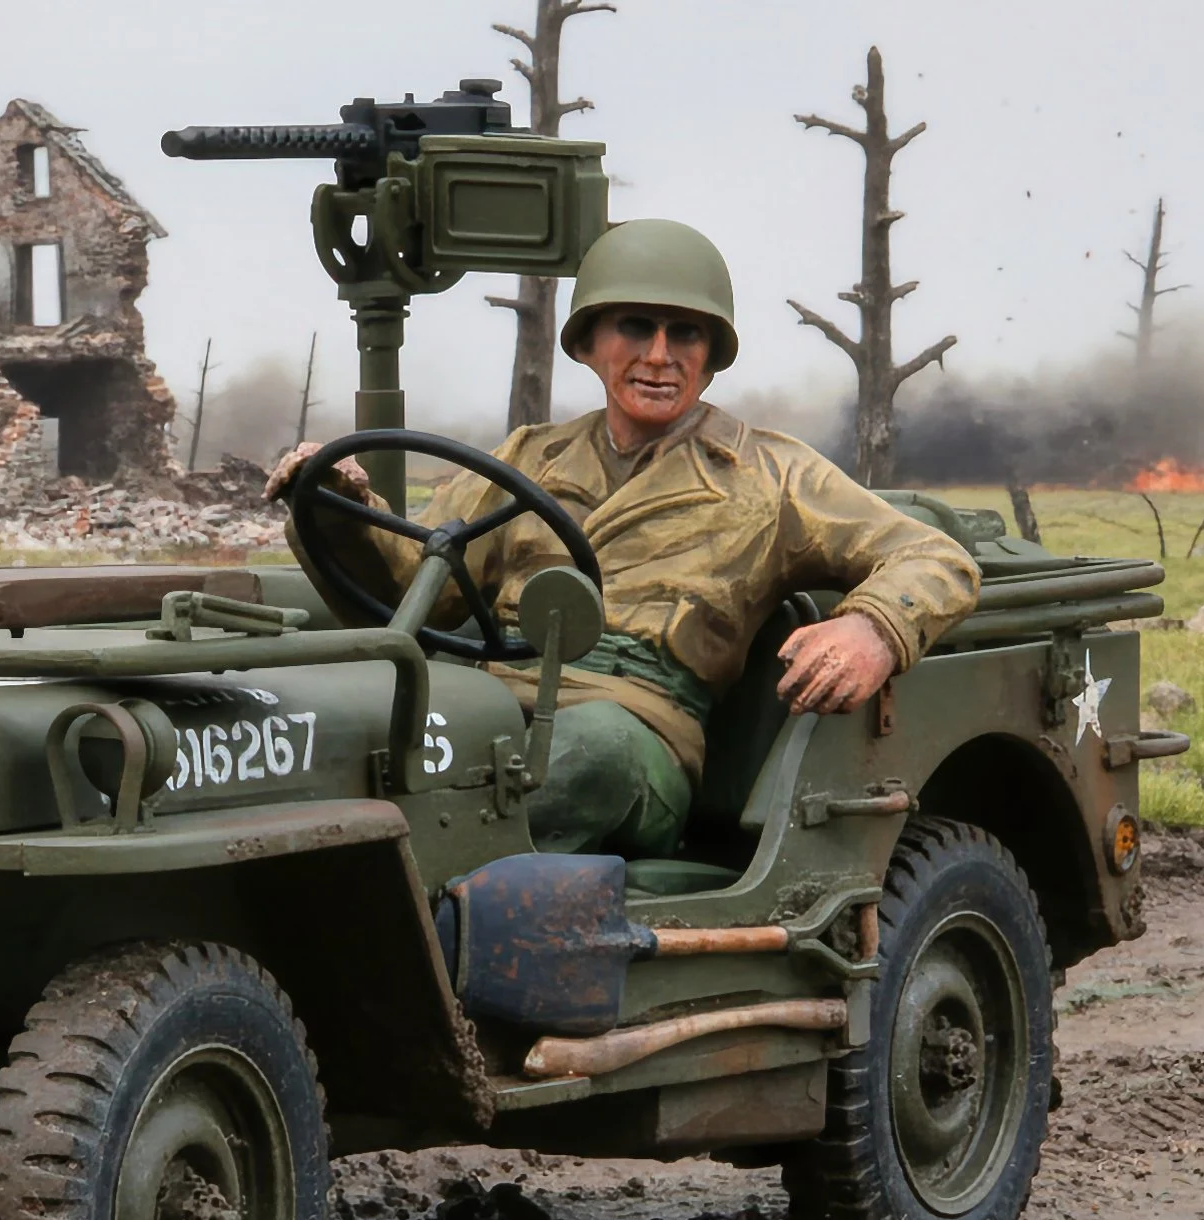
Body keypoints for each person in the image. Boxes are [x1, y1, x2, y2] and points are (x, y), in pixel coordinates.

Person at [270, 218, 981, 859]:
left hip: (641, 731)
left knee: (587, 756)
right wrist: (336, 504)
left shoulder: (770, 474)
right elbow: (422, 590)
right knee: (344, 731)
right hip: (495, 696)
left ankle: (416, 900)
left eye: (687, 333)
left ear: (713, 351)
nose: (661, 355)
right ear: (589, 342)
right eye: (637, 327)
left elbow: (934, 556)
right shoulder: (530, 457)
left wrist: (873, 628)